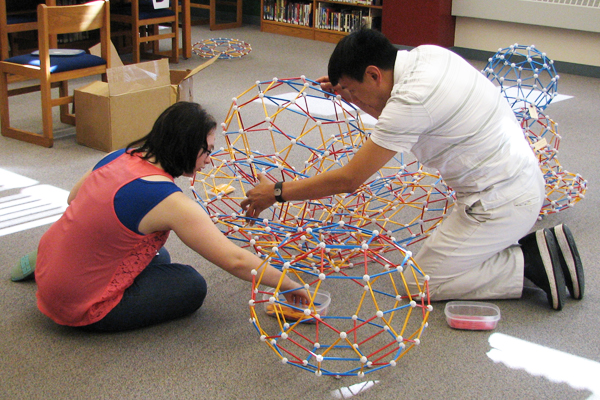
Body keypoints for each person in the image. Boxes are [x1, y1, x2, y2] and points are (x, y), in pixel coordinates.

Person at [241, 29, 584, 310]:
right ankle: (519, 248)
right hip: (519, 180)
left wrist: (276, 192)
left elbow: (349, 179)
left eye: (356, 92)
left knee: (415, 283)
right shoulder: (429, 54)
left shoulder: (411, 101)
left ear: (374, 74)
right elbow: (387, 104)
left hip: (498, 204)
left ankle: (529, 263)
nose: (356, 102)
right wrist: (348, 89)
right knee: (437, 264)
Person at [12, 102, 309, 332]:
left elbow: (73, 199)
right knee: (191, 285)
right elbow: (235, 260)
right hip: (77, 304)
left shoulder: (121, 155)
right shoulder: (170, 202)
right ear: (186, 148)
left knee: (158, 253)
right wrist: (289, 283)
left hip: (51, 271)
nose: (209, 160)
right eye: (207, 152)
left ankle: (59, 268)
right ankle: (84, 293)